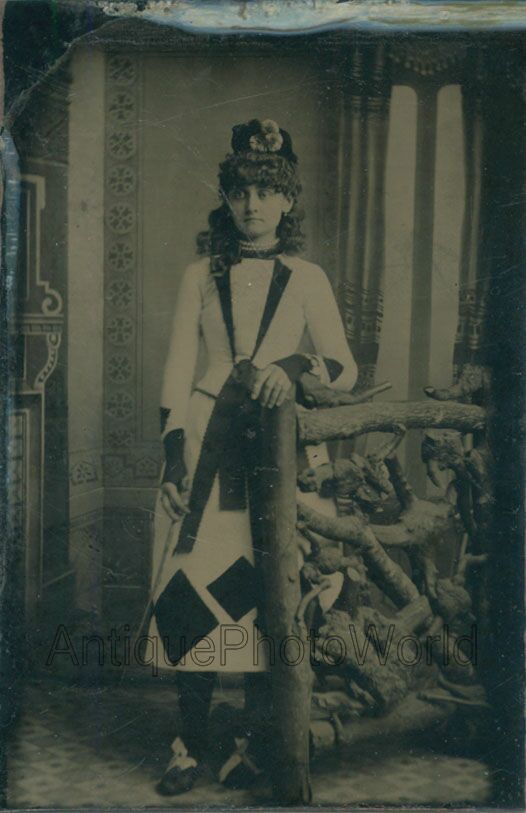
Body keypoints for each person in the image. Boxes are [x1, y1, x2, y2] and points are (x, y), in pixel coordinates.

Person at [149, 118, 358, 795]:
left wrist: (294, 366)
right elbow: (179, 368)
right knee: (195, 582)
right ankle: (187, 739)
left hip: (276, 447)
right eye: (242, 190)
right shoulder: (198, 275)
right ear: (226, 196)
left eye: (268, 191)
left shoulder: (307, 276)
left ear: (289, 200)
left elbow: (343, 365)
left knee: (268, 589)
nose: (254, 205)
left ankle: (250, 735)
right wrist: (175, 454)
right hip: (208, 441)